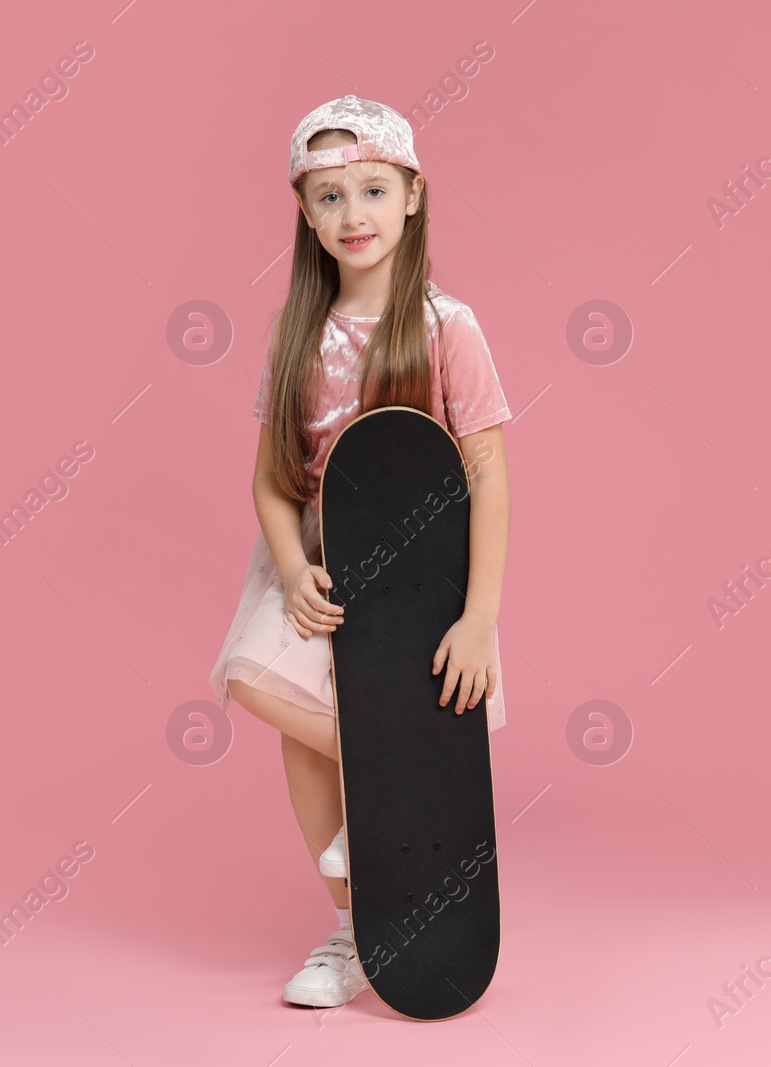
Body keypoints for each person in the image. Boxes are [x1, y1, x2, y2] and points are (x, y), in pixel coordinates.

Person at [207, 95, 513, 1008]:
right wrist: (294, 571)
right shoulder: (296, 336)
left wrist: (480, 615)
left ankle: (357, 924)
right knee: (257, 683)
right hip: (319, 562)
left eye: (374, 190)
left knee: (313, 755)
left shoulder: (447, 326)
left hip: (423, 574)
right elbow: (269, 479)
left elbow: (489, 476)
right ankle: (360, 909)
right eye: (331, 197)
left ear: (414, 196)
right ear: (305, 211)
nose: (355, 216)